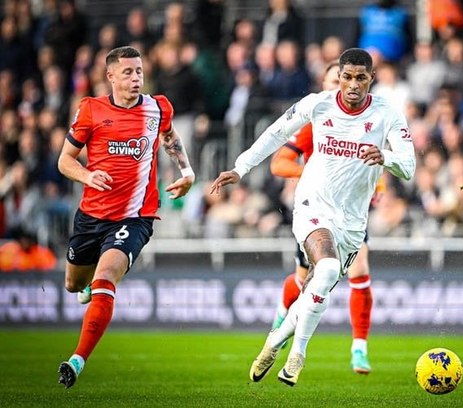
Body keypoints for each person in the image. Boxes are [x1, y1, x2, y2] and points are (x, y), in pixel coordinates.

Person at [211, 48, 415, 386]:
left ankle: (275, 341)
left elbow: (408, 167)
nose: (352, 85)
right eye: (346, 77)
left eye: (360, 78)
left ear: (371, 79)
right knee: (328, 269)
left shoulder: (387, 113)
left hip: (352, 221)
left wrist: (386, 157)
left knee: (315, 287)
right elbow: (276, 133)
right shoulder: (317, 104)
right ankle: (297, 356)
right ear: (340, 77)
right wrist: (241, 167)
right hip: (312, 205)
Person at [56, 46, 195, 388]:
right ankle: (86, 285)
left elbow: (170, 137)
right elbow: (65, 160)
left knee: (105, 277)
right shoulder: (90, 110)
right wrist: (87, 176)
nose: (136, 78)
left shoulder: (158, 107)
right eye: (128, 72)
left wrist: (187, 171)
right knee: (74, 284)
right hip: (91, 215)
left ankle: (77, 360)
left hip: (135, 216)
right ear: (111, 76)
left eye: (139, 72)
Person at [269, 61, 379, 374]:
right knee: (303, 278)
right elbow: (279, 163)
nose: (344, 88)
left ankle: (359, 348)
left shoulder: (367, 121)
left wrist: (380, 184)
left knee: (360, 267)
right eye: (336, 81)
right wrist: (314, 174)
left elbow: (378, 162)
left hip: (349, 214)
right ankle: (281, 317)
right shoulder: (315, 122)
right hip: (314, 210)